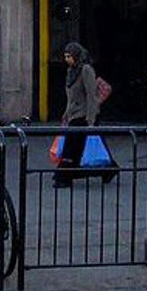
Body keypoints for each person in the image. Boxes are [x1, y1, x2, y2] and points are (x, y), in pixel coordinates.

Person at [54, 41, 115, 187]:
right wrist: (66, 113)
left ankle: (64, 176)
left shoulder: (86, 70)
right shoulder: (71, 72)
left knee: (72, 147)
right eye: (65, 56)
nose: (67, 60)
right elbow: (71, 97)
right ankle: (109, 169)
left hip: (84, 115)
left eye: (69, 56)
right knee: (81, 147)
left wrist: (91, 119)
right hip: (74, 114)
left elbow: (91, 95)